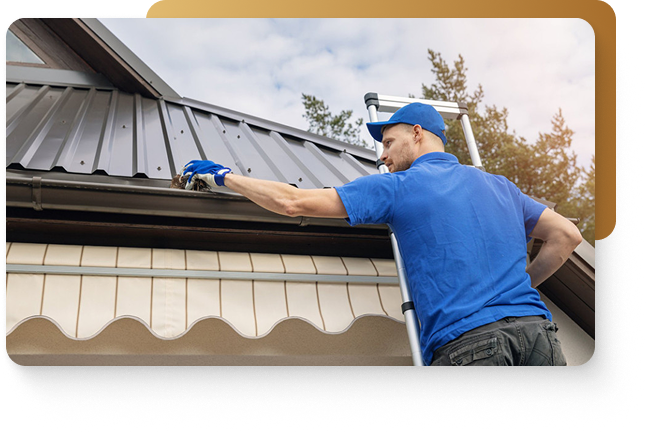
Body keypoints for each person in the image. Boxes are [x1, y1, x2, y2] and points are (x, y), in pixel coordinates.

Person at [182, 102, 582, 366]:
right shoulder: (500, 186)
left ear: (418, 133)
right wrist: (517, 286)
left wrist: (224, 176)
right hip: (539, 338)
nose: (383, 155)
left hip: (470, 345)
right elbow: (566, 235)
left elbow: (293, 202)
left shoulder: (400, 187)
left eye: (389, 142)